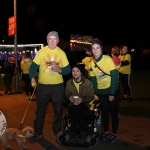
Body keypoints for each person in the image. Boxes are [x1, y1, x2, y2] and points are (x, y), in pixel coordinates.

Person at [29, 31, 71, 143]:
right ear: (47, 41)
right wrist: (32, 77)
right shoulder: (41, 52)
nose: (52, 41)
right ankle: (38, 133)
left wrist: (60, 70)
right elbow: (33, 67)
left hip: (58, 87)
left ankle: (57, 132)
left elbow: (68, 70)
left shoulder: (61, 53)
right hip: (43, 87)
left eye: (54, 39)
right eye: (50, 39)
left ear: (57, 41)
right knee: (40, 111)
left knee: (58, 111)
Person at [89, 38, 120, 143]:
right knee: (105, 112)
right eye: (93, 48)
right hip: (102, 93)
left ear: (101, 49)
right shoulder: (91, 64)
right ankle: (106, 131)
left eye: (97, 48)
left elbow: (115, 76)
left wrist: (112, 93)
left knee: (114, 112)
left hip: (112, 90)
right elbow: (93, 80)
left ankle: (114, 133)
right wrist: (95, 93)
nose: (96, 50)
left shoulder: (107, 59)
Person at [65, 64, 94, 143]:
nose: (75, 73)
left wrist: (82, 99)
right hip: (72, 104)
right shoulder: (69, 82)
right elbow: (67, 94)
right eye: (73, 71)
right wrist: (70, 97)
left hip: (84, 104)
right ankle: (73, 132)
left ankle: (82, 131)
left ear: (81, 72)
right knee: (74, 109)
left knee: (80, 109)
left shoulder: (88, 83)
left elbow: (90, 96)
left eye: (77, 71)